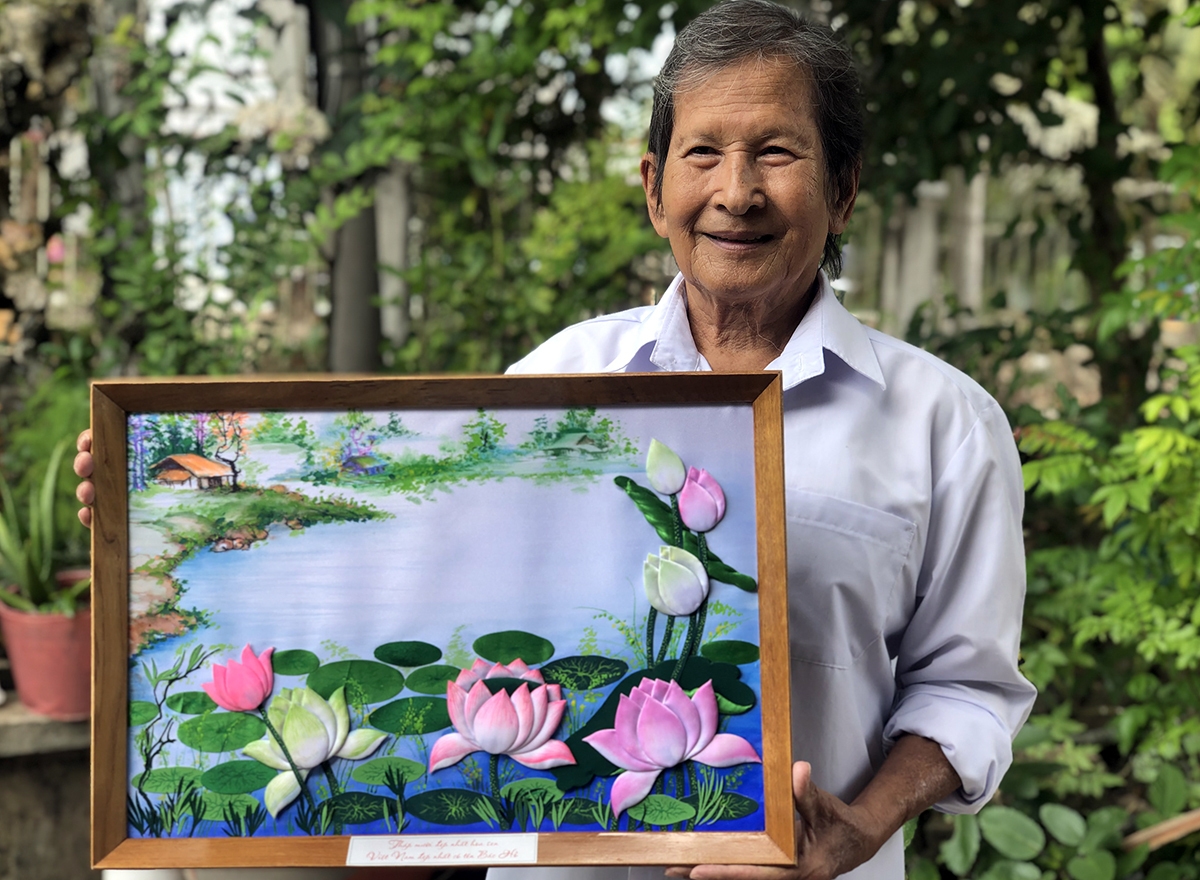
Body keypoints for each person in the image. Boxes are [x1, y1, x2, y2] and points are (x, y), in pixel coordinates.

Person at [75, 3, 1036, 879]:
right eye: (703, 154)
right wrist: (147, 519)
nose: (735, 192)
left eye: (775, 153)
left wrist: (859, 827)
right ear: (656, 188)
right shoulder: (552, 384)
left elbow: (970, 692)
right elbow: (414, 562)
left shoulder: (944, 423)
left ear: (844, 188)